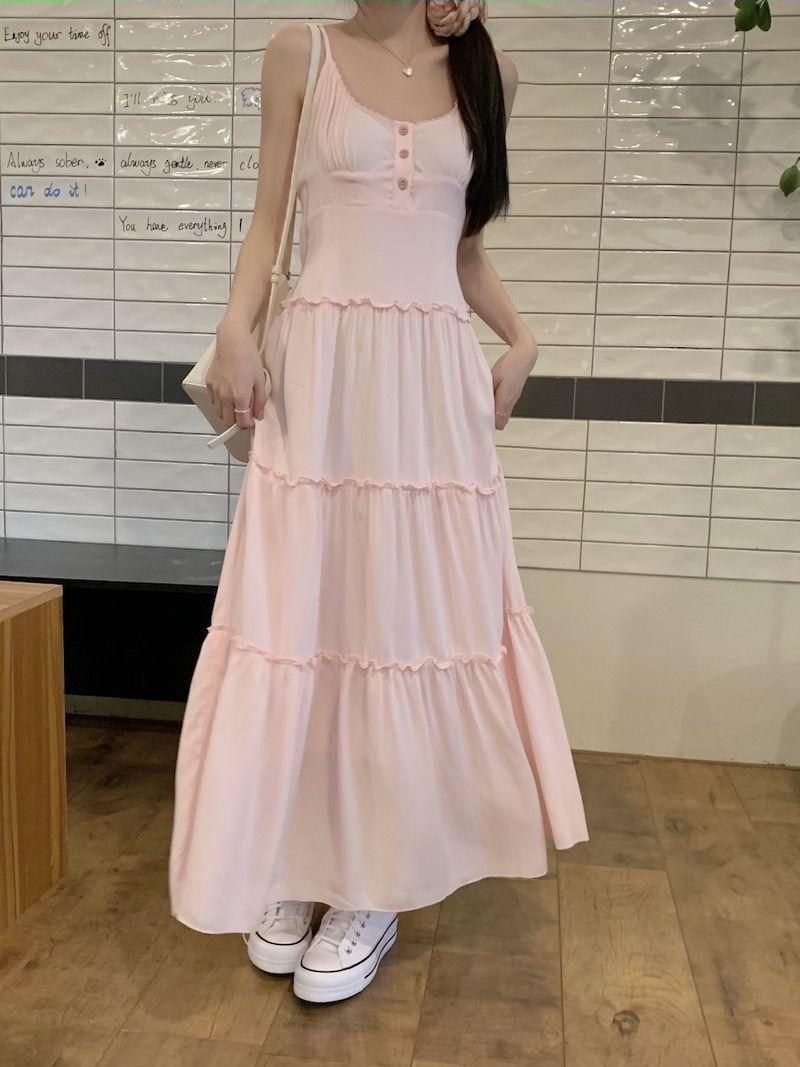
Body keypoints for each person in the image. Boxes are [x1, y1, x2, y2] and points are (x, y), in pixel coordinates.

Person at [168, 0, 589, 1005]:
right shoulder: (300, 52)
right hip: (322, 376)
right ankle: (295, 853)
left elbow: (460, 250)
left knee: (403, 623)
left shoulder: (490, 74)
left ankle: (374, 883)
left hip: (429, 392)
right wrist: (235, 329)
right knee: (304, 618)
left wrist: (522, 338)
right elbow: (268, 224)